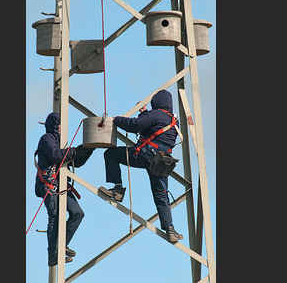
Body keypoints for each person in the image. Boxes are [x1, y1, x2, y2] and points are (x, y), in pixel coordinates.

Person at [99, 90, 183, 243]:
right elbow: (149, 128)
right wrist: (145, 114)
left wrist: (116, 120)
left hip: (145, 155)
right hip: (163, 163)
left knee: (110, 155)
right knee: (161, 196)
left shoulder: (156, 114)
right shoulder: (174, 122)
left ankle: (117, 190)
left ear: (156, 102)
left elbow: (136, 126)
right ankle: (170, 229)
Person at [34, 112, 93, 266]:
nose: (61, 128)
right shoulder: (47, 139)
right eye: (60, 125)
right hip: (48, 185)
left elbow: (74, 161)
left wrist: (87, 149)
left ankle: (61, 245)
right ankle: (53, 254)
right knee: (55, 215)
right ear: (54, 125)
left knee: (77, 213)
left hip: (60, 185)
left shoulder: (59, 142)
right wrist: (73, 151)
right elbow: (56, 156)